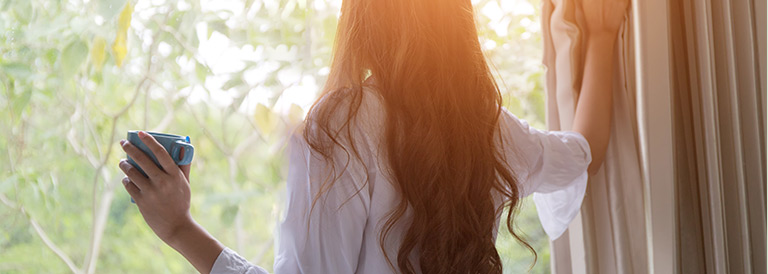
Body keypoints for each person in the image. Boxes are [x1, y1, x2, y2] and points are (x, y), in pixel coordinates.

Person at [117, 0, 628, 272]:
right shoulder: (490, 129)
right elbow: (585, 151)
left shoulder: (336, 130)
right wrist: (602, 36)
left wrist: (179, 229)